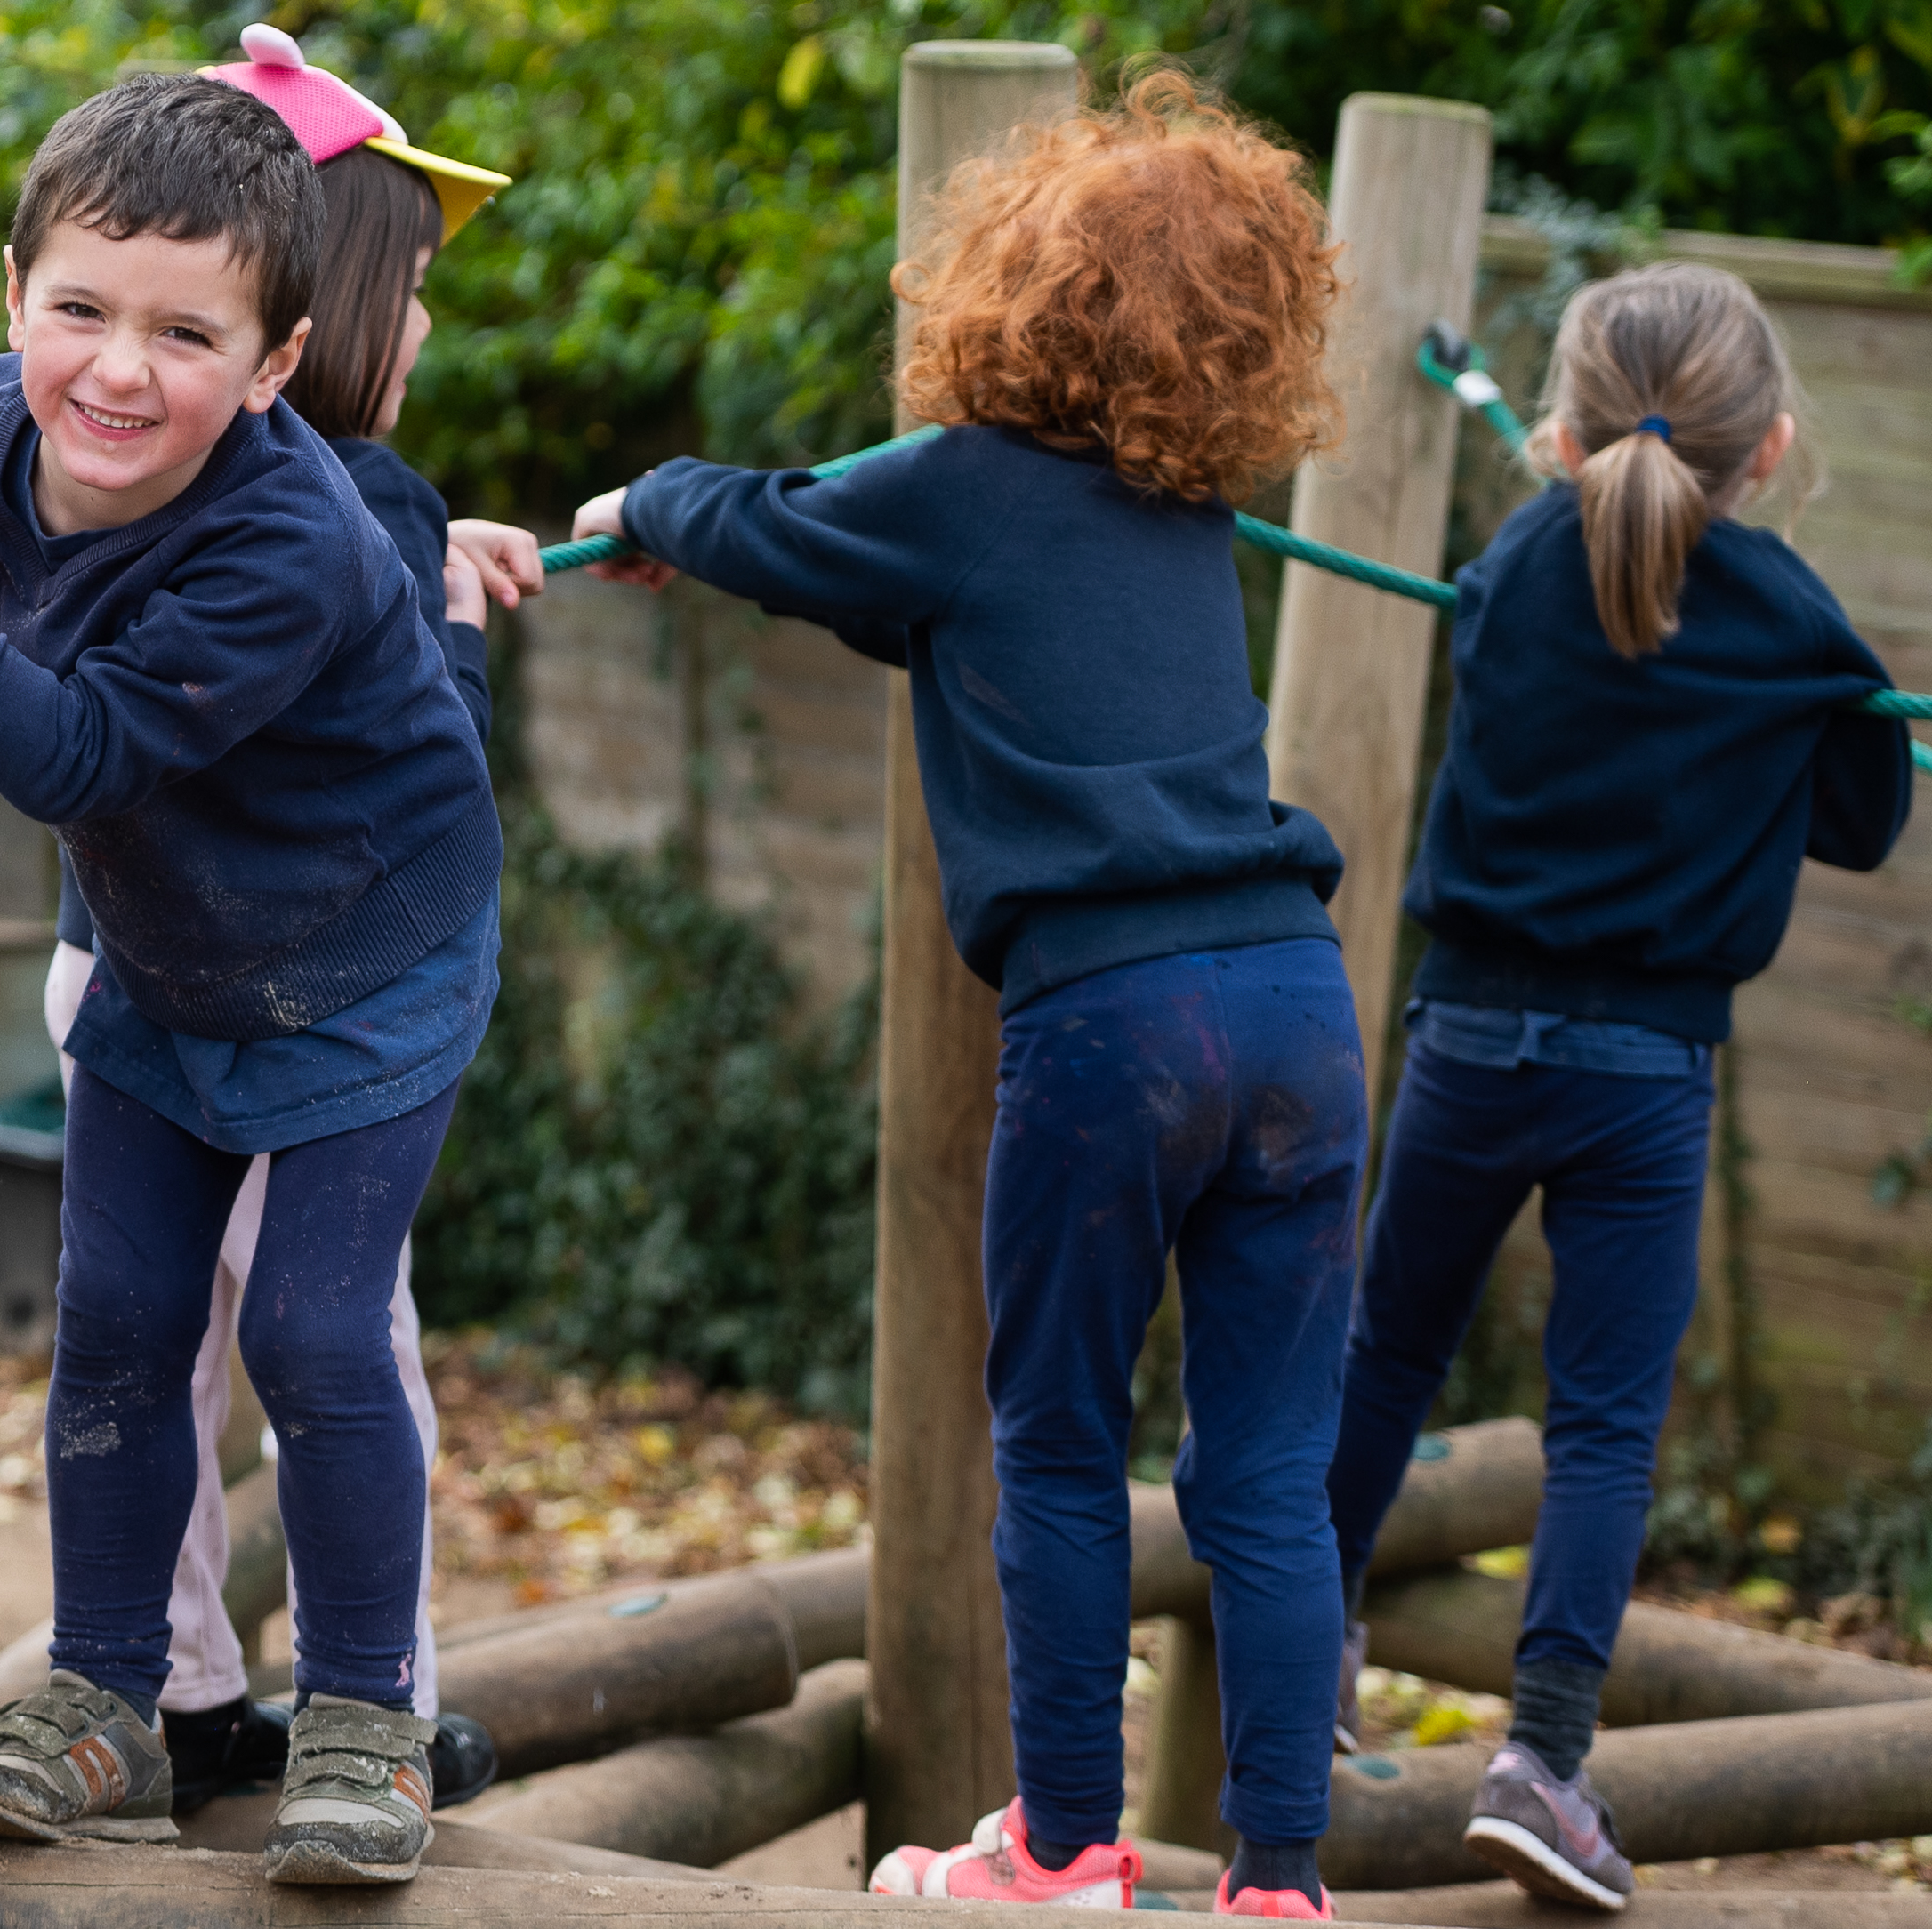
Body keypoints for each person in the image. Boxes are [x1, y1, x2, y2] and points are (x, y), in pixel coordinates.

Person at [568, 74, 1362, 1919]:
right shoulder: (1186, 521)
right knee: (1267, 1464)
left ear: (1017, 289)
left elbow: (775, 522)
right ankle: (1280, 1878)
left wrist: (648, 500)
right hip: (1299, 1015)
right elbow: (941, 613)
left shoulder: (965, 486)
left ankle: (1068, 1845)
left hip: (1121, 1024)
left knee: (1065, 1438)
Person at [0, 69, 501, 1886]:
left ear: (271, 365)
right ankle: (104, 1695)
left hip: (364, 966)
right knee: (113, 1323)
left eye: (187, 333)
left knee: (317, 1334)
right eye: (79, 307)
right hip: (170, 962)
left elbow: (71, 757)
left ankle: (361, 1716)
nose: (115, 368)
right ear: (11, 291)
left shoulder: (291, 543)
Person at [1323, 261, 1911, 1913]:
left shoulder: (1510, 564)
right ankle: (1545, 1761)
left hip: (1466, 1037)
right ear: (1770, 451)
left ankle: (1309, 1656)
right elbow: (1863, 816)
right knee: (1601, 1427)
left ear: (1568, 433)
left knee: (1386, 1352)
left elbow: (1524, 698)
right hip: (1640, 1073)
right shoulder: (1792, 616)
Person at [15, 22, 527, 1821]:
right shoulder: (346, 495)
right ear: (342, 304)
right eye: (426, 288)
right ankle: (358, 1695)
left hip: (125, 944)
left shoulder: (116, 465)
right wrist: (455, 609)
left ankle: (180, 1687)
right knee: (326, 1331)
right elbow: (429, 743)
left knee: (147, 1327)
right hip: (281, 984)